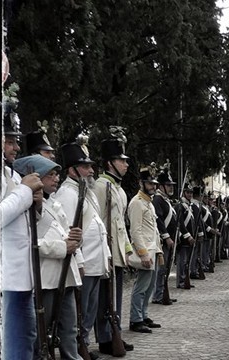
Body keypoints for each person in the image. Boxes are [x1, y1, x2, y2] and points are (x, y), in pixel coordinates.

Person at [13, 154, 83, 360]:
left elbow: (64, 235)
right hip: (45, 278)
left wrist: (76, 241)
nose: (56, 179)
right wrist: (65, 247)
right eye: (50, 175)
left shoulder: (54, 203)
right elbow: (30, 243)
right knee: (41, 333)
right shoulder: (25, 207)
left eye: (56, 174)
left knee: (69, 329)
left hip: (64, 275)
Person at [54, 139, 111, 360]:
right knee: (80, 308)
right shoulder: (67, 194)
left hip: (95, 260)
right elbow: (68, 231)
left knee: (89, 307)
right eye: (86, 166)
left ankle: (84, 343)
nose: (91, 170)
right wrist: (79, 261)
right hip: (83, 261)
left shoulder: (84, 190)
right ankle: (79, 345)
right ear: (73, 169)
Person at [0, 111, 44, 360]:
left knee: (25, 342)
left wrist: (36, 204)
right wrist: (25, 193)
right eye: (9, 141)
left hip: (22, 277)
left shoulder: (13, 175)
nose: (16, 147)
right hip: (7, 279)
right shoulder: (17, 181)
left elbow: (27, 223)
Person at [93, 134, 135, 355]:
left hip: (118, 251)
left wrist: (127, 249)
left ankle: (115, 332)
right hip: (106, 251)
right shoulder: (101, 186)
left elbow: (121, 224)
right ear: (110, 163)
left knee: (116, 298)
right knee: (104, 298)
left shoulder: (118, 189)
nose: (126, 164)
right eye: (122, 160)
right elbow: (97, 221)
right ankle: (105, 337)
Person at [127, 165, 162, 333]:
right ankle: (135, 319)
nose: (153, 187)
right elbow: (135, 231)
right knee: (141, 287)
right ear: (141, 183)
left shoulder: (149, 203)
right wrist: (143, 253)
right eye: (150, 184)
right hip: (145, 252)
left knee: (149, 287)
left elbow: (154, 230)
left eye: (154, 184)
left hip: (153, 250)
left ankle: (144, 314)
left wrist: (158, 251)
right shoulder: (136, 203)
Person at [151, 164, 179, 305]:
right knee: (161, 269)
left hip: (170, 240)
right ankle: (158, 294)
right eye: (168, 185)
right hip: (163, 241)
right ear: (161, 186)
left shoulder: (165, 200)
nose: (171, 187)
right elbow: (159, 220)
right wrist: (167, 237)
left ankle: (163, 292)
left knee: (166, 268)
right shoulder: (157, 200)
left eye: (171, 185)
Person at [176, 183, 196, 289]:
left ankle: (185, 279)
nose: (190, 194)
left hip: (189, 238)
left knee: (186, 261)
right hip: (183, 238)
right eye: (188, 192)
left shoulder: (188, 206)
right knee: (182, 261)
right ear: (184, 193)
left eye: (191, 193)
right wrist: (188, 236)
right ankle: (180, 281)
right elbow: (180, 223)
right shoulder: (180, 206)